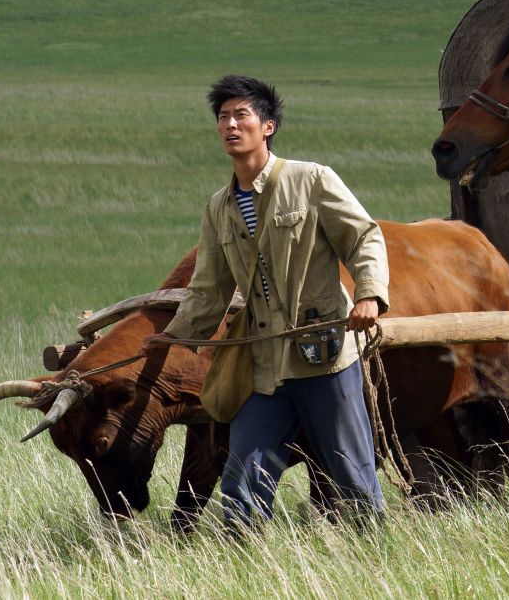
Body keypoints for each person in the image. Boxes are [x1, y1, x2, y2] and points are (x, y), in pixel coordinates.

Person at [141, 74, 389, 528]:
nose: (230, 125)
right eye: (223, 117)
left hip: (324, 355)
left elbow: (363, 238)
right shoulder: (219, 208)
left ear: (268, 126)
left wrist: (370, 294)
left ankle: (377, 553)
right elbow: (209, 289)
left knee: (352, 475)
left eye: (242, 115)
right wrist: (173, 338)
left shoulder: (312, 180)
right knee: (242, 478)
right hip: (263, 368)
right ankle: (246, 569)